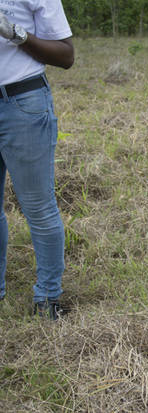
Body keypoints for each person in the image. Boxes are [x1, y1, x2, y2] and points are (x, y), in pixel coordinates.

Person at [0, 1, 74, 319]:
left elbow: (65, 56)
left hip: (23, 104)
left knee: (38, 207)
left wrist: (15, 33)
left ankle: (47, 299)